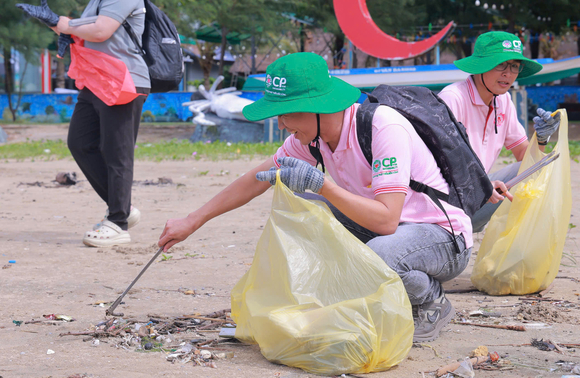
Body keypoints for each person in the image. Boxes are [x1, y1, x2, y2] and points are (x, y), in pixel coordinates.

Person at [159, 52, 473, 342]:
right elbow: (255, 181)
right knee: (303, 210)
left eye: (285, 114)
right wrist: (193, 220)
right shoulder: (312, 137)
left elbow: (387, 220)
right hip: (387, 232)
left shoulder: (382, 127)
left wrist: (324, 185)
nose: (281, 125)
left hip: (441, 237)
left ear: (317, 106)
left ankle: (429, 298)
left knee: (380, 254)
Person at [17, 0, 149, 247]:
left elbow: (102, 30)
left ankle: (118, 223)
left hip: (122, 81)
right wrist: (55, 23)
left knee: (117, 153)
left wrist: (62, 22)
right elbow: (84, 31)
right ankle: (124, 208)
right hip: (98, 80)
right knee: (80, 142)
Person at [439, 31, 560, 232]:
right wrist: (481, 185)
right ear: (480, 66)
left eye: (514, 66)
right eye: (500, 64)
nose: (508, 73)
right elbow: (439, 165)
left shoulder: (502, 100)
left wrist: (541, 137)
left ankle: (518, 248)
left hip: (478, 194)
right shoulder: (453, 98)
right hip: (444, 202)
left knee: (537, 169)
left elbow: (524, 156)